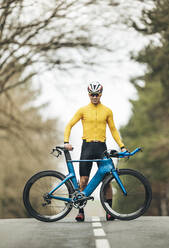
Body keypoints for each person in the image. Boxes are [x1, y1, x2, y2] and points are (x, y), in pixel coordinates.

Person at [64, 81, 127, 222]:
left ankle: (109, 212)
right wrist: (66, 142)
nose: (94, 97)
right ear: (88, 94)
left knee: (107, 180)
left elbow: (113, 130)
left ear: (101, 94)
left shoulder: (107, 111)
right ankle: (80, 212)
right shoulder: (83, 110)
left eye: (97, 94)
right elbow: (69, 125)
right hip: (87, 147)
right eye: (92, 94)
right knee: (83, 180)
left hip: (101, 148)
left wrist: (122, 146)